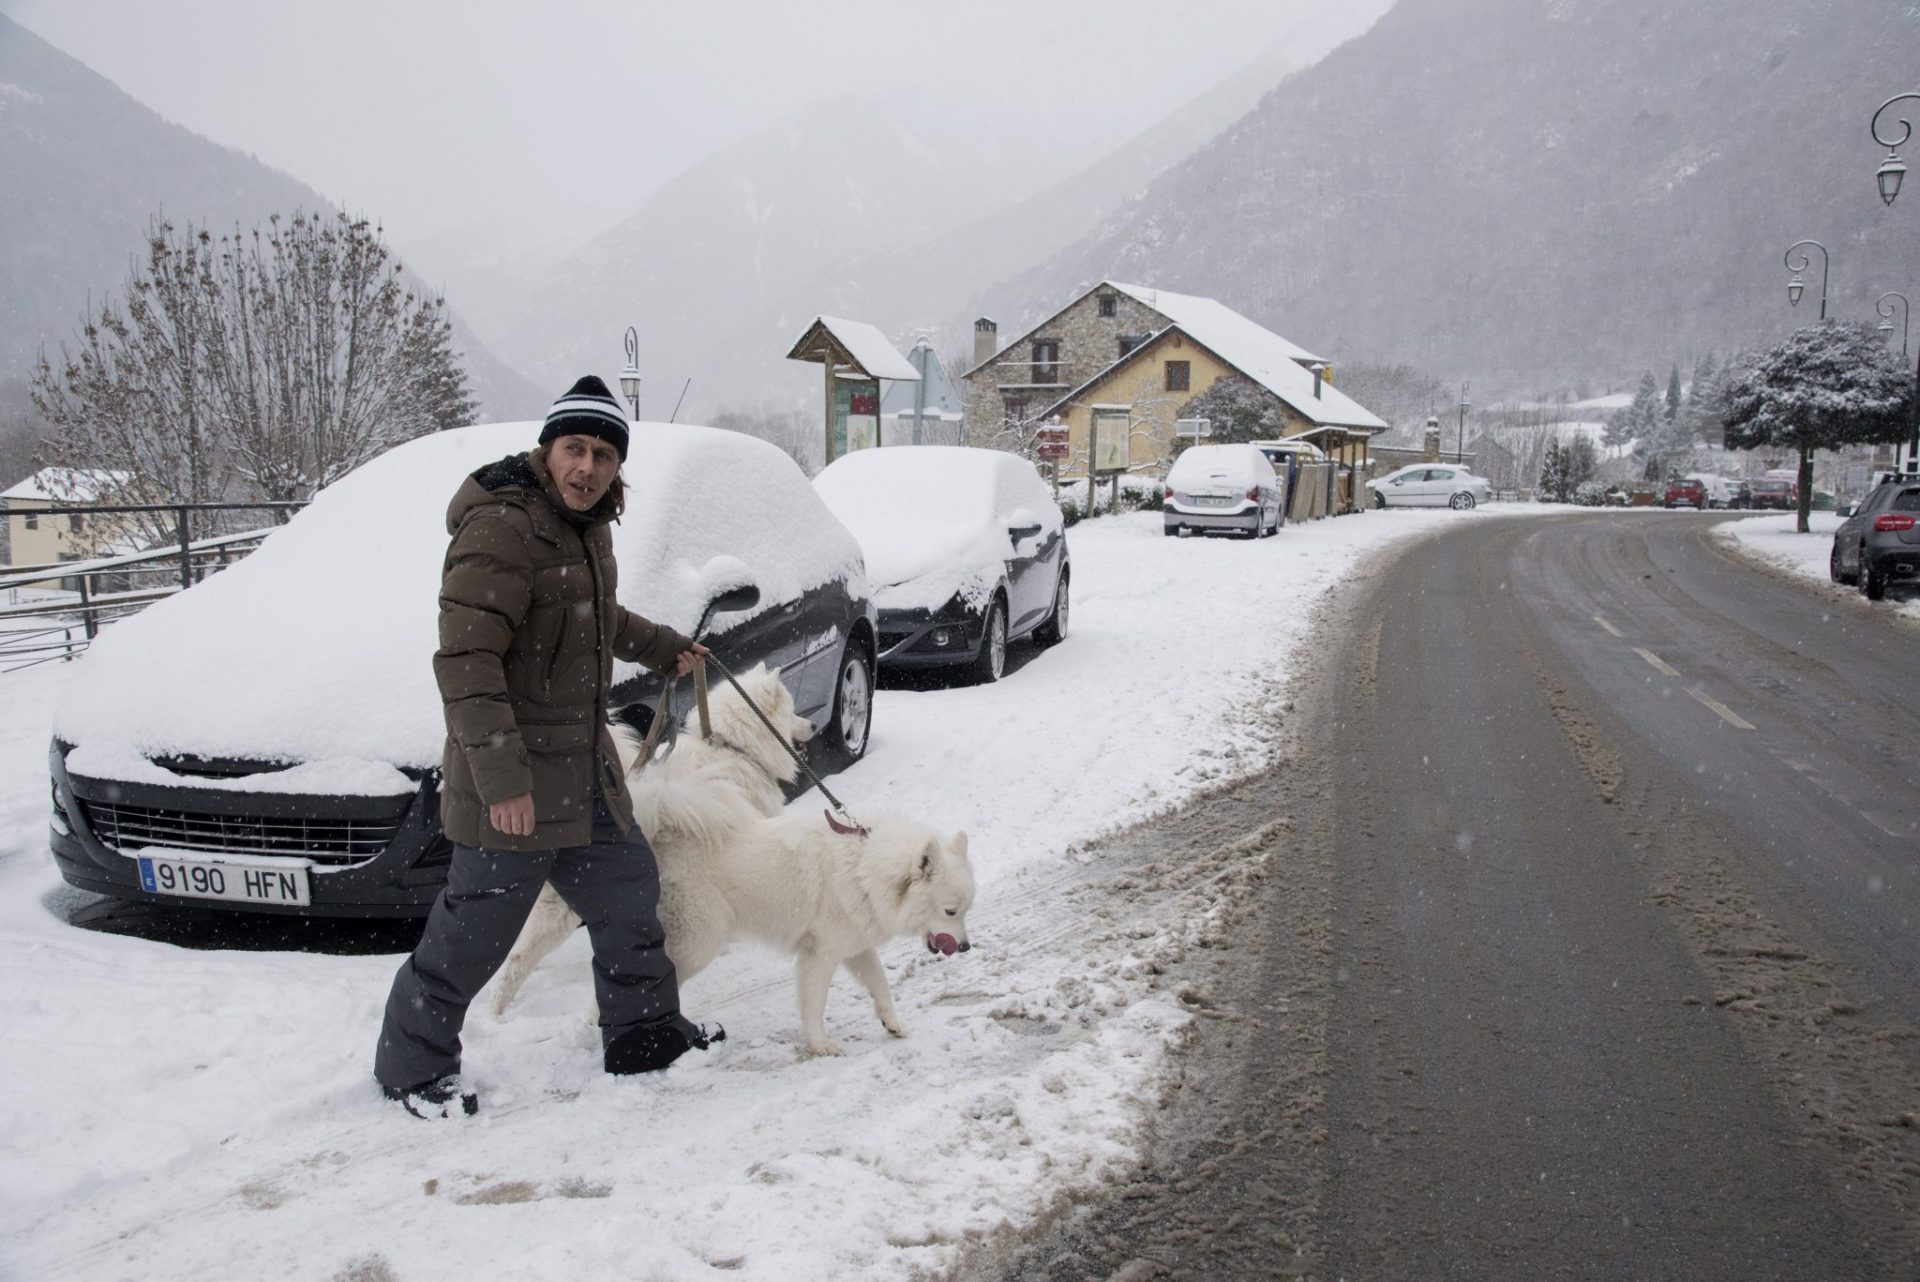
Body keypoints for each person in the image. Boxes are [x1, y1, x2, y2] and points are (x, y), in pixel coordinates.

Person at [374, 374, 716, 1119]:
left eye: (602, 453)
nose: (587, 467)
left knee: (629, 901)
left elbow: (594, 615)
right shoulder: (500, 528)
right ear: (547, 448)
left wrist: (664, 648)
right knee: (473, 934)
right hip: (517, 783)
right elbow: (466, 664)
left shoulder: (585, 526)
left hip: (582, 773)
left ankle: (644, 1035)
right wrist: (502, 782)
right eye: (574, 449)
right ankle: (411, 1071)